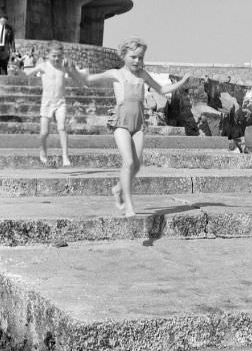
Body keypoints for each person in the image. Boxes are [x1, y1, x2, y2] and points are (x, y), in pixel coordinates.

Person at [69, 36, 193, 217]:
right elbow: (88, 80)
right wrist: (72, 71)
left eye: (141, 57)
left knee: (137, 165)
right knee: (128, 162)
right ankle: (128, 204)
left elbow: (162, 90)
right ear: (124, 56)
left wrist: (182, 81)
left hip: (139, 125)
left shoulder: (143, 75)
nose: (137, 61)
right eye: (133, 57)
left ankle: (118, 189)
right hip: (121, 125)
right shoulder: (116, 74)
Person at [24, 41, 75, 166]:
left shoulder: (64, 67)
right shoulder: (43, 66)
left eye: (59, 56)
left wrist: (72, 68)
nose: (57, 58)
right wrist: (20, 69)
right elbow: (27, 73)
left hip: (60, 102)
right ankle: (43, 151)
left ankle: (65, 157)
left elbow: (75, 75)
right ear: (48, 55)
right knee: (44, 133)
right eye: (54, 56)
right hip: (46, 103)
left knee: (62, 128)